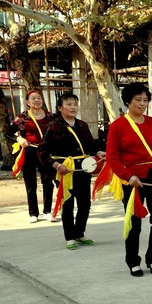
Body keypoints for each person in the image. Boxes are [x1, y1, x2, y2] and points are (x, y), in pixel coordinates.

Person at [106, 83, 152, 277]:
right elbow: (112, 157)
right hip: (132, 179)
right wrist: (128, 176)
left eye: (145, 100)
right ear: (128, 101)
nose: (142, 103)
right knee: (134, 222)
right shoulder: (118, 126)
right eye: (138, 100)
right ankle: (133, 261)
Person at [39, 93, 105, 249]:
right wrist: (56, 165)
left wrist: (99, 152)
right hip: (64, 169)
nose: (73, 107)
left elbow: (91, 145)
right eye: (68, 104)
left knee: (85, 203)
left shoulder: (82, 125)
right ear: (60, 108)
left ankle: (79, 233)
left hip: (82, 168)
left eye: (75, 104)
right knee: (67, 203)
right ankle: (70, 237)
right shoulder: (53, 126)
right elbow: (42, 151)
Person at [7, 90, 56, 223]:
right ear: (28, 102)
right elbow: (9, 133)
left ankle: (47, 211)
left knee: (48, 182)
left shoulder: (50, 117)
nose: (37, 100)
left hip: (45, 153)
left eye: (39, 98)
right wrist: (20, 139)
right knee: (30, 183)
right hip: (29, 152)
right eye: (33, 98)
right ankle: (33, 213)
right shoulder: (22, 117)